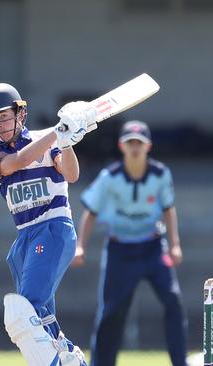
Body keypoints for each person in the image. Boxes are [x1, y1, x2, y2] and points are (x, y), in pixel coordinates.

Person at [0, 82, 96, 366]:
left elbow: (71, 174)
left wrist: (65, 144)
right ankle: (70, 357)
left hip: (54, 229)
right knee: (39, 314)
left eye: (3, 116)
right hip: (25, 238)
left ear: (20, 114)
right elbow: (18, 161)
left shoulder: (50, 141)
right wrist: (58, 132)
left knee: (22, 312)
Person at [73, 120, 187, 366]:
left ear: (148, 146)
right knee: (111, 312)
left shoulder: (160, 174)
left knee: (172, 300)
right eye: (130, 143)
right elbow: (90, 211)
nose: (135, 147)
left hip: (153, 247)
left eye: (139, 143)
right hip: (119, 250)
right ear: (121, 146)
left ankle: (180, 362)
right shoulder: (109, 177)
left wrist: (174, 244)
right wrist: (80, 246)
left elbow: (169, 209)